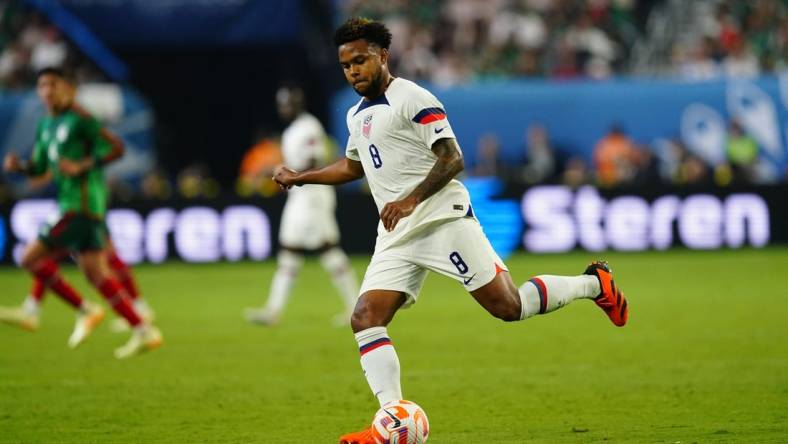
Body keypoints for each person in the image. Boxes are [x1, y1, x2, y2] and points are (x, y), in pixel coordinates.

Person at [273, 18, 629, 444]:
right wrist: (302, 176)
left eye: (360, 60)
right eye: (346, 65)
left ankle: (594, 285)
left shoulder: (413, 98)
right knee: (365, 317)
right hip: (396, 235)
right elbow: (353, 164)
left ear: (382, 56)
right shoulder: (355, 115)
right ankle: (389, 422)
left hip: (442, 218)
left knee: (508, 306)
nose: (353, 71)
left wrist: (410, 199)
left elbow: (452, 157)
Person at [2, 67, 162, 359]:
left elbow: (116, 148)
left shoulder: (82, 120)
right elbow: (39, 168)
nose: (47, 91)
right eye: (42, 86)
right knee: (97, 274)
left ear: (68, 89)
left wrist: (82, 166)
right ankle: (143, 329)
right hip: (75, 205)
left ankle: (74, 309)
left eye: (53, 85)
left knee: (29, 257)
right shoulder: (46, 124)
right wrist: (21, 167)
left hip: (81, 204)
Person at [245, 86, 360, 326]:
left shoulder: (308, 127)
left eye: (288, 103)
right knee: (291, 252)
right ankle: (273, 311)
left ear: (299, 103)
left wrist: (290, 173)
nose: (283, 108)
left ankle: (356, 308)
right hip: (299, 196)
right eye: (281, 103)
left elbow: (314, 160)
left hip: (312, 196)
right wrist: (279, 169)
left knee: (328, 250)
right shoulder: (293, 129)